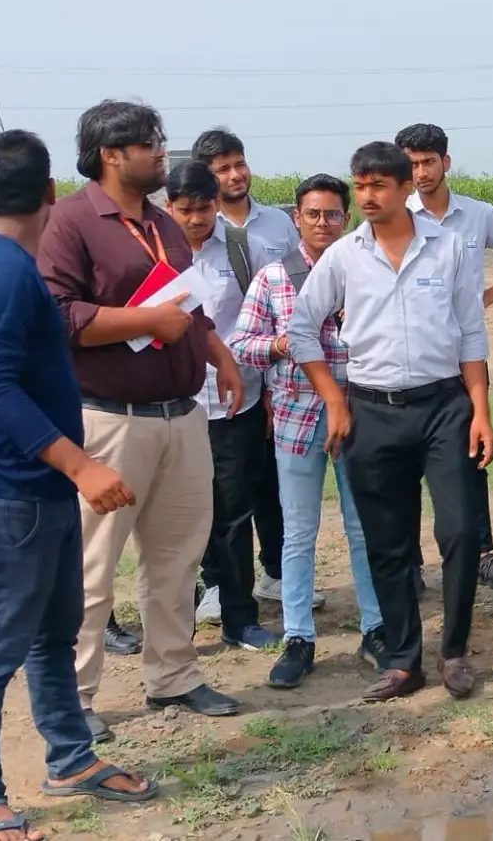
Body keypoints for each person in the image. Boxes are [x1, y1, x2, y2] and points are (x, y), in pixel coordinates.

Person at [0, 130, 156, 841]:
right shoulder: (9, 274)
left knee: (54, 634)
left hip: (35, 488)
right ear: (50, 193)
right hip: (11, 497)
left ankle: (71, 759)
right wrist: (78, 463)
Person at [39, 100, 244, 743]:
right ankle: (75, 694)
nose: (162, 152)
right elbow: (58, 315)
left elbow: (188, 303)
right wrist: (144, 324)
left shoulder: (162, 222)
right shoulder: (71, 223)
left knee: (176, 557)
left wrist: (219, 355)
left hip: (182, 415)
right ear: (110, 153)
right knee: (93, 566)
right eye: (150, 143)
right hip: (109, 420)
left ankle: (172, 675)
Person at [288, 142, 493, 702]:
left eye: (379, 185)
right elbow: (303, 328)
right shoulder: (344, 257)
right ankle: (405, 660)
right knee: (387, 541)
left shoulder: (448, 247)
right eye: (360, 186)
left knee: (458, 530)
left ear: (408, 188)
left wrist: (480, 409)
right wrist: (333, 397)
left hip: (443, 407)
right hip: (371, 411)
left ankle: (453, 651)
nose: (367, 197)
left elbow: (471, 334)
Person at [227, 174, 386, 689]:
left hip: (358, 416)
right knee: (299, 532)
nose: (323, 223)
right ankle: (299, 635)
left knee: (364, 528)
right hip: (296, 418)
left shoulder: (366, 271)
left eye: (333, 214)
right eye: (313, 214)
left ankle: (375, 627)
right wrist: (280, 345)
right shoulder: (274, 277)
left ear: (347, 219)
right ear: (297, 218)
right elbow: (241, 343)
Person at [398, 122, 493, 594]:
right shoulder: (396, 218)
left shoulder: (477, 216)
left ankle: (482, 555)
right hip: (413, 360)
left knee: (471, 455)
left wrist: (490, 295)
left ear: (445, 162)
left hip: (466, 359)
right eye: (411, 164)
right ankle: (412, 564)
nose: (420, 172)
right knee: (406, 467)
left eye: (427, 162)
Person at [190, 127, 309, 617]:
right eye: (222, 169)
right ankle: (216, 582)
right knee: (219, 490)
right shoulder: (195, 232)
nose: (235, 175)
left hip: (267, 378)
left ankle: (275, 574)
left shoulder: (279, 224)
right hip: (207, 386)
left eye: (238, 163)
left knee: (267, 484)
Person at [162, 160, 277, 652]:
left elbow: (259, 321)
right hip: (172, 402)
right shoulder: (154, 255)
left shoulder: (238, 251)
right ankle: (174, 621)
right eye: (185, 210)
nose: (195, 219)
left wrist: (267, 386)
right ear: (169, 208)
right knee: (173, 518)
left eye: (204, 209)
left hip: (235, 401)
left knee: (233, 511)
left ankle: (239, 616)